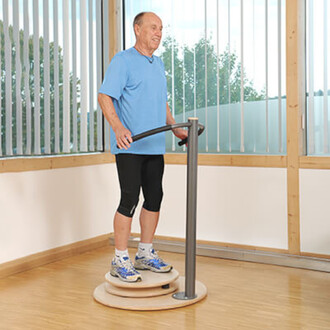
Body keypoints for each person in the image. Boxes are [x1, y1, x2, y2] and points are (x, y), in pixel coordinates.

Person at [98, 12, 187, 282]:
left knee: (154, 198)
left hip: (154, 146)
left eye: (161, 29)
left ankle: (145, 253)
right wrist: (118, 128)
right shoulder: (123, 61)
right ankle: (120, 258)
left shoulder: (158, 64)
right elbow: (105, 96)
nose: (158, 33)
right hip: (130, 147)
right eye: (153, 27)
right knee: (129, 200)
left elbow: (162, 102)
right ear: (137, 29)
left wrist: (173, 125)